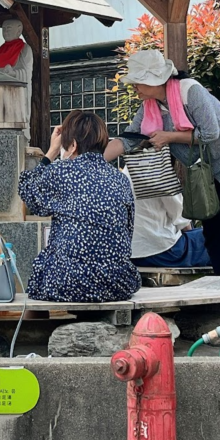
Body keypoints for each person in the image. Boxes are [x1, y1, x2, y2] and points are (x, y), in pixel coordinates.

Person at [106, 49, 220, 277]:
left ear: (154, 80)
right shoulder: (150, 106)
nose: (134, 87)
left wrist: (169, 137)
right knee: (212, 229)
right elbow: (129, 139)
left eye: (137, 82)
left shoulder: (189, 90)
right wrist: (91, 162)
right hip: (207, 169)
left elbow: (210, 133)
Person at [18, 110, 141, 302]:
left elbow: (27, 190)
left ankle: (34, 322)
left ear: (73, 145)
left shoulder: (61, 171)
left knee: (40, 273)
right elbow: (128, 228)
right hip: (117, 283)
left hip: (68, 282)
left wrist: (51, 153)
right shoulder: (120, 179)